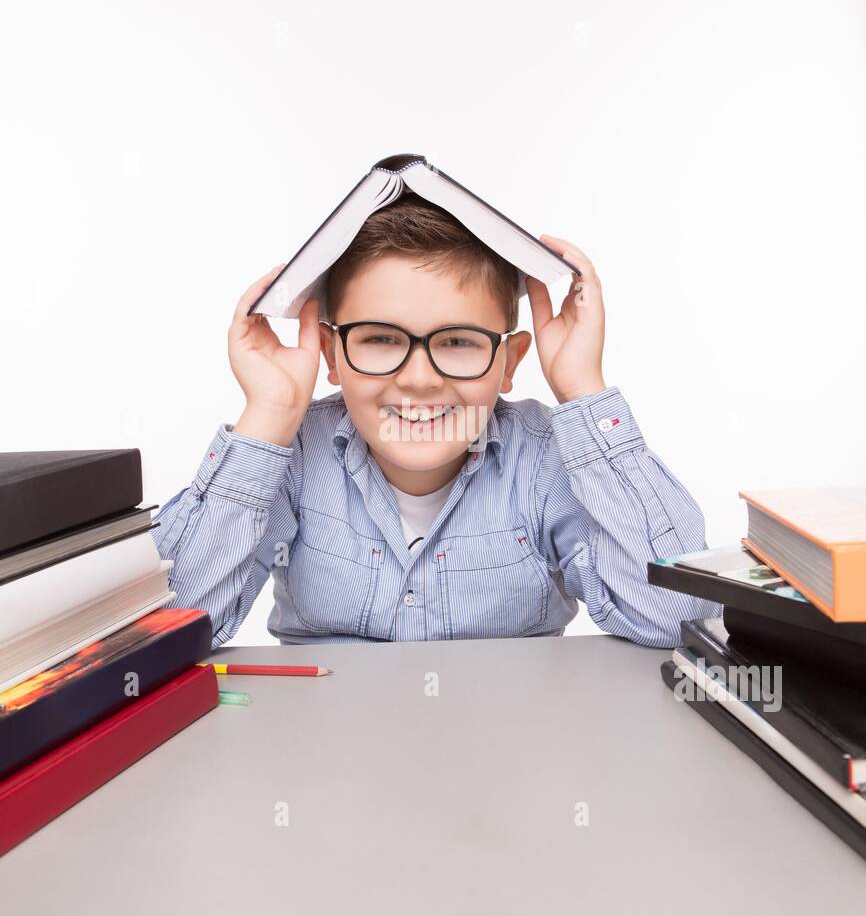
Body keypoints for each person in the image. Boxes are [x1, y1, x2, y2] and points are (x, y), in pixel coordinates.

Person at [151, 196, 719, 646]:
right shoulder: (296, 456)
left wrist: (582, 389)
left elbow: (675, 617)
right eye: (379, 338)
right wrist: (268, 417)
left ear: (508, 363)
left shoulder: (545, 455)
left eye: (457, 341)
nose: (420, 378)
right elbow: (171, 624)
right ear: (329, 353)